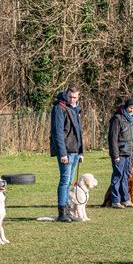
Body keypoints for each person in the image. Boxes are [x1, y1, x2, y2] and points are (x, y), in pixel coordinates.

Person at [49, 84, 84, 222]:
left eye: (75, 97)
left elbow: (79, 132)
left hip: (75, 151)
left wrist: (81, 152)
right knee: (65, 180)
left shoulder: (75, 109)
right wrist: (62, 153)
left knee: (69, 181)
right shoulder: (59, 108)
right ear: (66, 94)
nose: (72, 99)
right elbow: (57, 132)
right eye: (70, 96)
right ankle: (62, 212)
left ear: (78, 96)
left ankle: (68, 211)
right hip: (66, 151)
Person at [107, 97, 133, 209]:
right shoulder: (117, 119)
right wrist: (115, 155)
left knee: (126, 176)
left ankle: (126, 199)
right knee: (118, 175)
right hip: (119, 153)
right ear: (126, 107)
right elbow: (113, 138)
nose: (132, 110)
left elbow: (128, 136)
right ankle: (115, 200)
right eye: (131, 108)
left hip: (128, 152)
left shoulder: (132, 120)